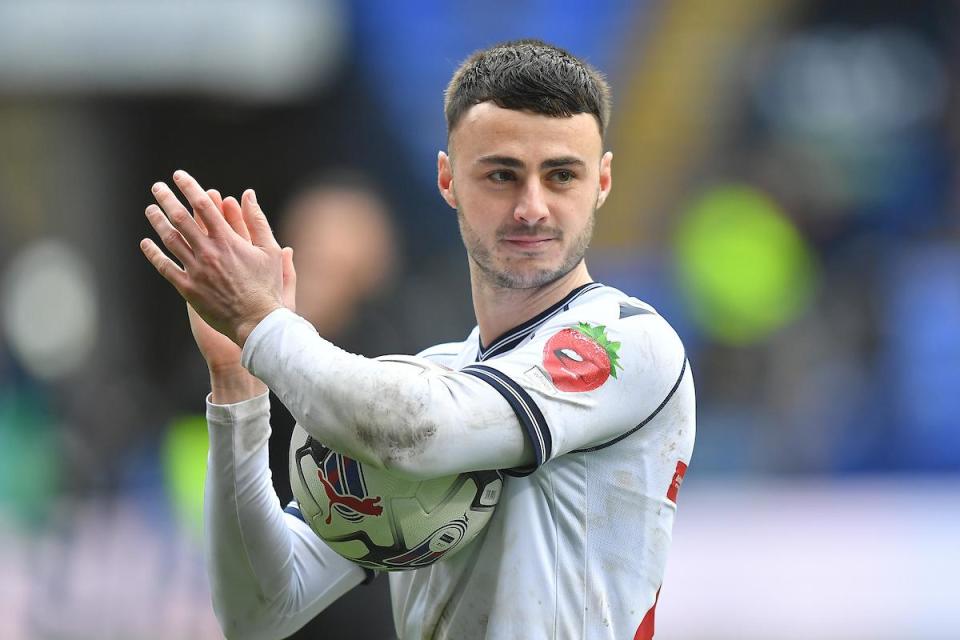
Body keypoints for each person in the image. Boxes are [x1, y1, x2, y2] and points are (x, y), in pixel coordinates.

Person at [140, 39, 695, 640]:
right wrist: (239, 386)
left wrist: (261, 324)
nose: (532, 207)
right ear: (448, 179)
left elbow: (419, 432)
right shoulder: (440, 375)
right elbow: (260, 611)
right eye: (502, 175)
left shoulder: (629, 341)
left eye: (562, 175)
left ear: (602, 181)